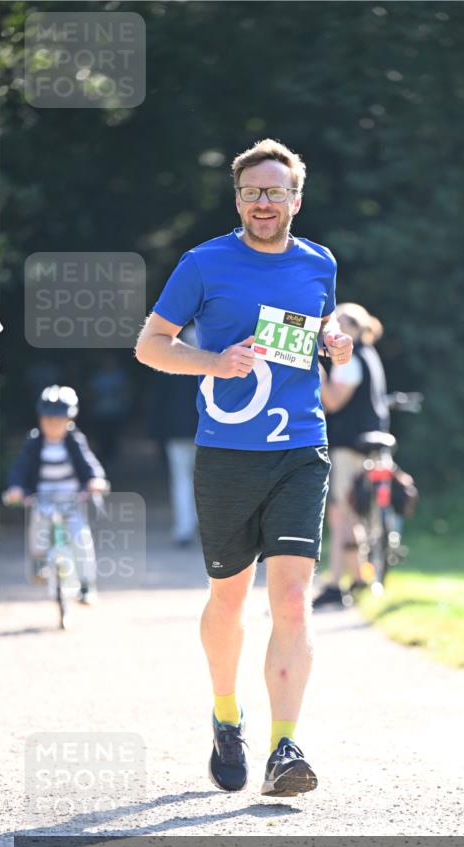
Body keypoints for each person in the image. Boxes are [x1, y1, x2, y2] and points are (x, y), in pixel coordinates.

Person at [135, 138, 353, 797]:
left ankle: (285, 746)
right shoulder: (203, 264)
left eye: (275, 191)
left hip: (300, 451)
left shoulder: (319, 262)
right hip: (228, 456)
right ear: (238, 199)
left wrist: (333, 343)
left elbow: (316, 338)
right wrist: (213, 362)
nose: (264, 203)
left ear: (296, 199)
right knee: (229, 598)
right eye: (252, 192)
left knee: (289, 598)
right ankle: (226, 717)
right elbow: (150, 346)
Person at [2, 385, 108, 604]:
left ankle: (87, 585)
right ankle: (39, 562)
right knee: (38, 529)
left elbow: (89, 464)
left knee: (81, 539)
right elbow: (20, 469)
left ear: (69, 420)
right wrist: (16, 488)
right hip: (43, 497)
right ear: (40, 419)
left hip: (71, 498)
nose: (53, 426)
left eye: (58, 421)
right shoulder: (34, 442)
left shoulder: (74, 440)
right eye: (48, 420)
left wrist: (94, 480)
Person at [316, 302, 389, 608]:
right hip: (370, 445)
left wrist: (315, 371)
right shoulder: (369, 354)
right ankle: (359, 576)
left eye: (342, 321)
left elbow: (332, 401)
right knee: (353, 514)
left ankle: (335, 583)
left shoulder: (350, 360)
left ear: (357, 328)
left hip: (348, 447)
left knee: (341, 513)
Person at [149, 324, 199, 546]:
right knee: (207, 482)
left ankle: (183, 529)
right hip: (207, 433)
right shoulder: (214, 363)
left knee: (181, 481)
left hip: (176, 432)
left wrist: (157, 434)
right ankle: (204, 527)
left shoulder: (169, 365)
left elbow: (159, 402)